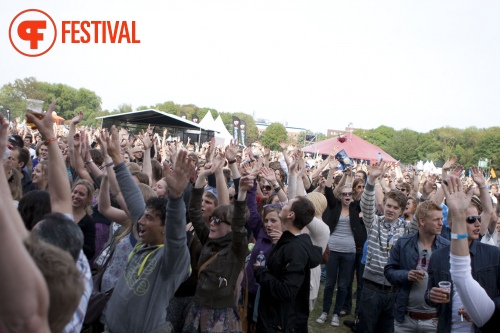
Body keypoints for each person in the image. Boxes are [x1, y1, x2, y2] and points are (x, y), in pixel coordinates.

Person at [103, 126, 191, 333]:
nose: (139, 220)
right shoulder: (145, 243)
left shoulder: (172, 260)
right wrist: (117, 159)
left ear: (165, 229)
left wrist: (177, 198)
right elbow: (134, 198)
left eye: (149, 218)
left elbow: (177, 238)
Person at [182, 158, 249, 333]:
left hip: (220, 317)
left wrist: (241, 194)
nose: (212, 223)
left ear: (230, 227)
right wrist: (202, 176)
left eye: (219, 221)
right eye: (212, 218)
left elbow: (240, 225)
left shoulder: (236, 249)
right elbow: (194, 212)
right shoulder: (208, 239)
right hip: (196, 309)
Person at [426, 175, 500, 333]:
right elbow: (429, 296)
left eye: (478, 218)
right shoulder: (438, 257)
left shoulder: (494, 255)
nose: (478, 223)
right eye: (471, 219)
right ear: (453, 224)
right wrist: (430, 296)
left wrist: (482, 310)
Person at [254, 196, 322, 332]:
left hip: (280, 323)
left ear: (291, 214)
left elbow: (286, 291)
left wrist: (261, 272)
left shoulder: (295, 249)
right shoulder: (287, 242)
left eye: (287, 204)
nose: (283, 204)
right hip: (272, 317)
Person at [356, 160, 409, 333]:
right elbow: (366, 205)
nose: (390, 210)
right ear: (384, 205)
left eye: (395, 207)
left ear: (401, 211)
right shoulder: (374, 222)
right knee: (365, 329)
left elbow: (422, 217)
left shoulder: (407, 229)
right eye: (388, 205)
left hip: (395, 290)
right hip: (371, 287)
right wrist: (371, 180)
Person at [384, 200, 449, 332]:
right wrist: (406, 275)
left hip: (434, 320)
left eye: (441, 219)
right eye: (436, 220)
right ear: (422, 221)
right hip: (405, 319)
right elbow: (389, 271)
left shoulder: (447, 247)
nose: (441, 223)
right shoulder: (403, 243)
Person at [317, 160, 366, 327]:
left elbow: (367, 197)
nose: (347, 196)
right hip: (333, 249)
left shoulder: (356, 208)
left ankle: (336, 313)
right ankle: (325, 311)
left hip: (350, 252)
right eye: (344, 194)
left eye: (349, 194)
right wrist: (332, 171)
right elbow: (329, 189)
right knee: (330, 283)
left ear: (353, 196)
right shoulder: (335, 205)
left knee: (344, 285)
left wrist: (356, 177)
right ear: (341, 196)